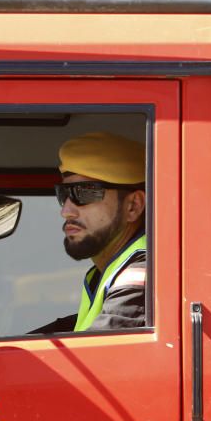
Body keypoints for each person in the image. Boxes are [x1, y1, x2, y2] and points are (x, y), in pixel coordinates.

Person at [33, 132, 147, 333]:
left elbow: (103, 351)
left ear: (133, 206)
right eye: (64, 194)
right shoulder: (103, 272)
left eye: (84, 192)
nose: (66, 211)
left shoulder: (145, 269)